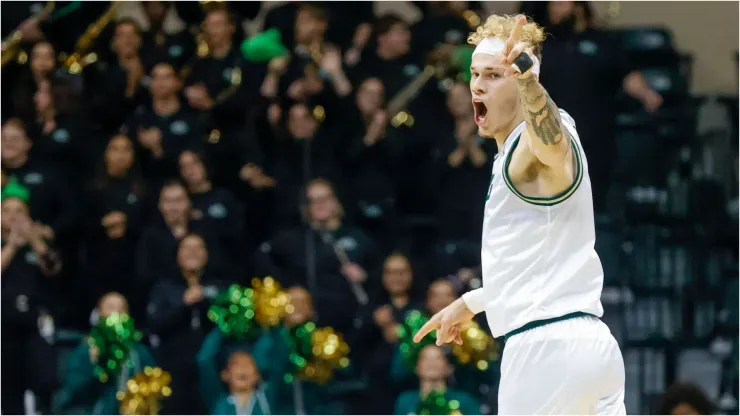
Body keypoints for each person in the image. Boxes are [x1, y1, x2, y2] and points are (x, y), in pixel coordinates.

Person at [414, 15, 625, 414]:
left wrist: (528, 79)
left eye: (493, 75)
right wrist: (474, 301)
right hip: (590, 347)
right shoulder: (513, 154)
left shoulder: (533, 144)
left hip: (545, 353)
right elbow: (535, 265)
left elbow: (551, 144)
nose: (477, 84)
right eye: (475, 74)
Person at [56, 292, 156, 415]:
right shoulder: (85, 351)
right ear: (98, 315)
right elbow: (72, 393)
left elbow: (152, 387)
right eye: (111, 307)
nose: (117, 312)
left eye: (122, 308)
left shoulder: (139, 352)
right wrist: (94, 365)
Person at [394, 344, 480, 415]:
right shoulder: (405, 401)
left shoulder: (465, 401)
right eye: (425, 358)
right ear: (416, 367)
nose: (432, 362)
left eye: (438, 358)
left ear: (449, 368)